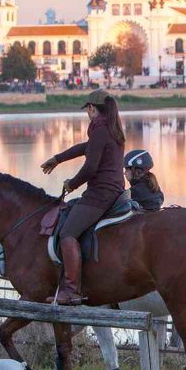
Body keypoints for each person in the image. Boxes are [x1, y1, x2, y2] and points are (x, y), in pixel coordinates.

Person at [39, 89, 126, 305]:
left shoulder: (100, 130)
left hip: (100, 195)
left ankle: (71, 290)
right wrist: (58, 159)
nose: (87, 113)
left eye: (87, 109)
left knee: (68, 233)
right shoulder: (111, 129)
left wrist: (71, 184)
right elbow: (85, 148)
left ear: (92, 108)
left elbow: (90, 168)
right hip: (115, 191)